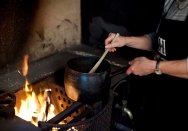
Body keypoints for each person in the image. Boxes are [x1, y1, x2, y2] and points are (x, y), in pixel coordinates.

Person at [105, 0, 188, 130]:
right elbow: (158, 40)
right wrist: (125, 40)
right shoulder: (170, 2)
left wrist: (153, 66)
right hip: (161, 91)